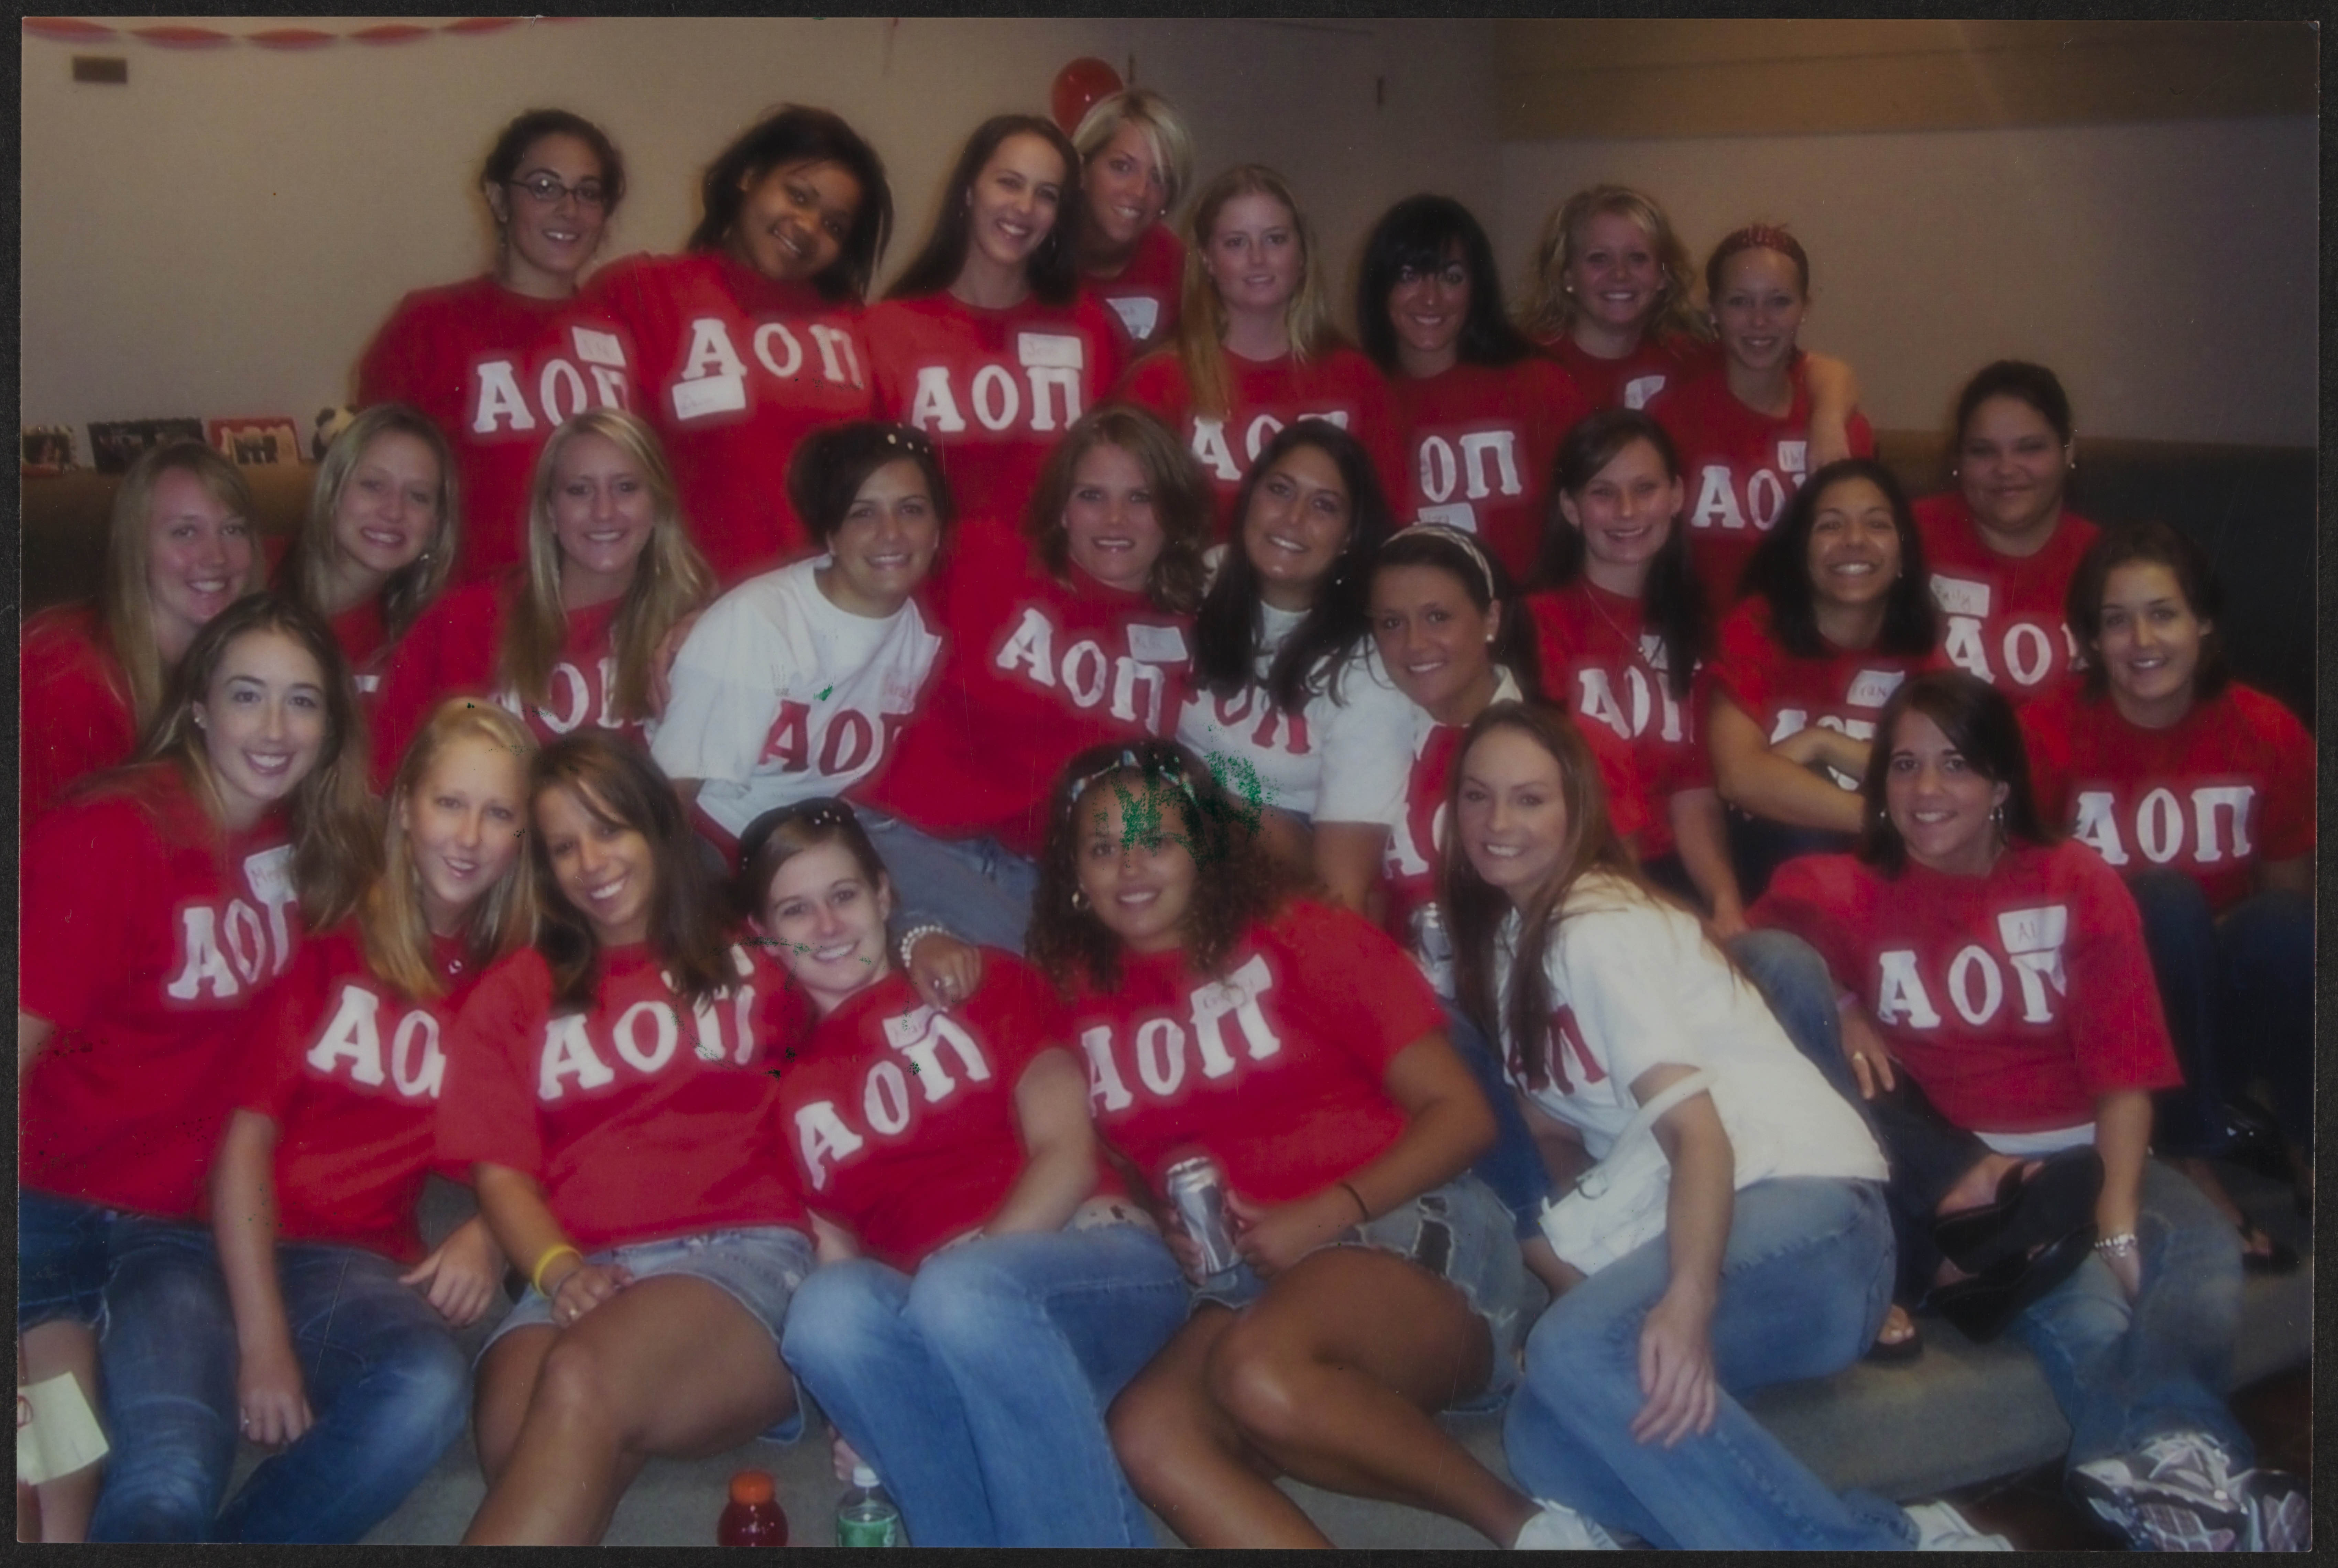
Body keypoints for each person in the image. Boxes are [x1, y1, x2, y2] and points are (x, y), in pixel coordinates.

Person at [1752, 671, 2308, 1552]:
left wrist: (2118, 1210)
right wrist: (1844, 996)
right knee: (2086, 1309)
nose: (1926, 789)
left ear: (2002, 784)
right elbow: (1741, 964)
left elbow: (2125, 1068)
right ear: (1879, 785)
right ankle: (2204, 1479)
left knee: (2197, 1260)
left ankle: (2171, 1470)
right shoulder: (1834, 887)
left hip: (2087, 1151)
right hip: (1963, 1180)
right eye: (1902, 764)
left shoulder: (2074, 877)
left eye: (1955, 765)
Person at [1445, 699, 2003, 1551]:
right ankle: (1886, 1534)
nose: (1496, 822)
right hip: (1745, 1246)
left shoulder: (1595, 930)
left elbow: (1698, 1134)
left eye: (1528, 798)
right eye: (1478, 797)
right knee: (1544, 1443)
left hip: (1806, 1218)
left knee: (1574, 1351)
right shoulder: (1508, 939)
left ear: (1575, 810)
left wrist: (1684, 1298)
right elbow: (1563, 1121)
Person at [1028, 741, 1539, 1549]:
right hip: (1252, 1279)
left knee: (1257, 1373)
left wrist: (1322, 1212)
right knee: (1148, 1431)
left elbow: (1463, 1115)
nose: (1129, 866)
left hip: (1410, 1227)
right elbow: (1116, 1153)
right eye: (1102, 847)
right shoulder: (1072, 995)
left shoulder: (1303, 936)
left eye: (1156, 839)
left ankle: (1535, 1531)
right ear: (1073, 873)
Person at [19, 592, 376, 1541]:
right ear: (199, 707)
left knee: (174, 1479)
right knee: (51, 1495)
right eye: (248, 695)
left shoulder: (298, 856)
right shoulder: (109, 834)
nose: (273, 727)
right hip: (40, 1222)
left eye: (303, 702)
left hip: (166, 1234)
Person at [748, 799, 1188, 1546]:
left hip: (1090, 1261)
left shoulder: (984, 984)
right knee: (824, 1312)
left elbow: (1068, 1152)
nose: (826, 927)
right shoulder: (788, 1095)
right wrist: (866, 1402)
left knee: (966, 1295)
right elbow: (842, 1268)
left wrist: (966, 1275)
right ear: (765, 936)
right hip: (945, 1323)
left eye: (845, 896)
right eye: (796, 910)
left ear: (886, 896)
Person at [436, 733, 815, 1545]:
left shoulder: (754, 951)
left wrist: (927, 944)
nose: (591, 861)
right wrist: (558, 1269)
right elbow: (502, 1176)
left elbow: (862, 973)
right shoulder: (514, 993)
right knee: (515, 1432)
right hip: (571, 1271)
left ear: (657, 826)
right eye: (563, 846)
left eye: (610, 829)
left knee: (578, 1381)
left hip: (737, 1258)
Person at [205, 698, 538, 1541]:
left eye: (498, 813)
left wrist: (490, 1236)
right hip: (216, 1239)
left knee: (427, 1385)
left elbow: (556, 1136)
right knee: (160, 1475)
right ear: (404, 808)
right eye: (449, 803)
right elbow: (247, 1134)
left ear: (520, 840)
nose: (468, 836)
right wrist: (264, 1341)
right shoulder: (327, 930)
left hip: (350, 1265)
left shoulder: (511, 981)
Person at [2022, 523, 2313, 1265]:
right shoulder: (2047, 731)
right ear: (2088, 638)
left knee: (2286, 924)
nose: (2140, 639)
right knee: (2160, 903)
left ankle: (2307, 1140)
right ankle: (2189, 1159)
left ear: (2204, 623)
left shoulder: (2266, 730)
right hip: (2096, 1014)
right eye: (2114, 621)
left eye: (2164, 613)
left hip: (2209, 1004)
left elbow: (2280, 902)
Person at [1367, 526, 1641, 1245]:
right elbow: (1256, 791)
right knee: (1427, 1027)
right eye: (1390, 624)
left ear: (1490, 620)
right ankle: (1546, 1249)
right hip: (1447, 1019)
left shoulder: (1570, 743)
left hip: (1562, 1000)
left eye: (1438, 616)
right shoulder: (1368, 749)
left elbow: (1627, 903)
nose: (1413, 643)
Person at [859, 405, 1207, 955]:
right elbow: (848, 577)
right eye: (1092, 496)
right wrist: (711, 621)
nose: (1115, 521)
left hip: (1043, 879)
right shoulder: (986, 556)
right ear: (1063, 510)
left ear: (1173, 512)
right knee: (1030, 982)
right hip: (906, 834)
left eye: (1140, 498)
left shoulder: (1193, 631)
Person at [590, 105, 890, 579]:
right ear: (749, 176)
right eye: (798, 195)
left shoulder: (855, 322)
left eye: (834, 225)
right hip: (690, 612)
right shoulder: (642, 292)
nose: (809, 227)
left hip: (831, 611)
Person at [357, 109, 634, 582]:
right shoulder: (427, 324)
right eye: (545, 187)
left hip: (602, 615)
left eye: (588, 192)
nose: (569, 210)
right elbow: (372, 496)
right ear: (499, 198)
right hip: (471, 613)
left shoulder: (626, 329)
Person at [653, 422, 947, 858]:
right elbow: (672, 796)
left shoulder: (930, 622)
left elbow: (825, 691)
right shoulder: (759, 620)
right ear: (831, 536)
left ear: (937, 530)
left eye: (911, 510)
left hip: (824, 841)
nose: (891, 533)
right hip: (713, 834)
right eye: (862, 513)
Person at [370, 408, 714, 777]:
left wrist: (710, 629)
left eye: (626, 487)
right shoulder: (465, 618)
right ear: (550, 510)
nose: (604, 511)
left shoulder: (695, 630)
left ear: (658, 503)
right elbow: (388, 770)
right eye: (579, 490)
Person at [1177, 420, 1416, 912]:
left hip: (1278, 872)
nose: (1292, 518)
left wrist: (1203, 790)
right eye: (1280, 491)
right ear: (1250, 499)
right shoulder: (1199, 580)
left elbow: (1339, 894)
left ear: (1350, 536)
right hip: (1160, 831)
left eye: (1324, 506)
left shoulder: (1370, 672)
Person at [865, 115, 1126, 563]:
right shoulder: (886, 329)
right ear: (968, 191)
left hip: (1054, 598)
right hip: (923, 598)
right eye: (1009, 183)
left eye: (1046, 195)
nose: (1024, 208)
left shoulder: (1090, 328)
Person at [1529, 409, 1745, 929]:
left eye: (1645, 489)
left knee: (1776, 963)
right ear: (1572, 508)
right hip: (1578, 877)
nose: (1627, 511)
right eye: (1603, 493)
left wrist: (1725, 903)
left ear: (1675, 497)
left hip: (1667, 876)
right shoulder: (1536, 623)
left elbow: (1692, 795)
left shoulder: (1692, 629)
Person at [1701, 457, 1940, 900]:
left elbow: (1947, 778)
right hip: (1778, 874)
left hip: (1892, 883)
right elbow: (1739, 776)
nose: (1853, 541)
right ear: (1800, 550)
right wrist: (1886, 818)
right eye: (1829, 526)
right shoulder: (1756, 627)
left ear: (1903, 550)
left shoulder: (1923, 647)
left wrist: (1824, 743)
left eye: (1876, 525)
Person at [1119, 165, 1403, 531]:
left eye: (1275, 239)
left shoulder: (1357, 380)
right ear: (1207, 260)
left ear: (1301, 254)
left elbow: (1389, 519)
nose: (1257, 258)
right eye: (1236, 243)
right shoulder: (1157, 383)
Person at [21, 440, 264, 828]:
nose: (216, 557)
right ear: (135, 548)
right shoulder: (66, 675)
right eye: (185, 532)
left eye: (233, 530)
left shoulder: (245, 665)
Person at [1357, 194, 1591, 582]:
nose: (1430, 298)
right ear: (1379, 286)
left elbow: (1590, 515)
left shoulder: (1538, 387)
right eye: (1409, 276)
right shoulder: (1364, 396)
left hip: (1525, 623)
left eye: (1452, 277)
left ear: (1476, 288)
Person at [1652, 224, 1873, 623]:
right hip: (1700, 647)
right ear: (1713, 309)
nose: (1759, 321)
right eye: (1739, 302)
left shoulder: (1841, 428)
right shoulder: (1671, 420)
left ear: (1804, 307)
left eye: (1779, 302)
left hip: (1808, 649)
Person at [1919, 361, 2099, 705]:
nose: (2005, 469)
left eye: (2029, 448)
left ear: (2068, 452)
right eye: (1982, 451)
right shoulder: (1902, 537)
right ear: (1957, 459)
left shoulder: (2107, 561)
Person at [275, 405, 460, 698]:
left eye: (418, 496)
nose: (394, 511)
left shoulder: (423, 642)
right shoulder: (248, 572)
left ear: (436, 525)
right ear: (332, 490)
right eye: (373, 485)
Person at [1071, 88, 1195, 356]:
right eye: (1122, 167)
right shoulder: (1039, 249)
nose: (1139, 191)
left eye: (1159, 177)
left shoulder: (1175, 266)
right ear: (1082, 171)